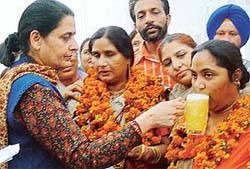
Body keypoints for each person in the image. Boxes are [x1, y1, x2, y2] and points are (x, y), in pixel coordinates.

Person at [0, 0, 185, 169]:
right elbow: (83, 157)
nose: (74, 45)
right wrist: (146, 120)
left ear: (128, 58)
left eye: (74, 36)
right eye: (66, 37)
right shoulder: (34, 89)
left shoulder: (19, 77)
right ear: (36, 39)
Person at [75, 25, 172, 169]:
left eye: (110, 54)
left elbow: (168, 148)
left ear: (128, 57)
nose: (101, 63)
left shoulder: (153, 91)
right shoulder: (81, 96)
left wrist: (147, 152)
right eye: (96, 55)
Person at [165, 40, 250, 169]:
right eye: (194, 75)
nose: (199, 85)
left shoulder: (246, 122)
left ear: (236, 77)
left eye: (208, 75)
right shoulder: (186, 120)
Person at [129, 0, 176, 90]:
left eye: (155, 12)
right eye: (141, 16)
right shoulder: (130, 65)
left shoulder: (187, 56)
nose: (148, 20)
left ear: (168, 19)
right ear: (135, 27)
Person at [206, 4, 250, 72]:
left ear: (243, 38)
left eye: (232, 34)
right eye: (221, 33)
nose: (226, 39)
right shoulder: (200, 68)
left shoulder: (248, 69)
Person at [158, 33, 197, 100]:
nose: (175, 66)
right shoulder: (174, 94)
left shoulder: (213, 87)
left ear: (197, 51)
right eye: (168, 63)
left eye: (181, 55)